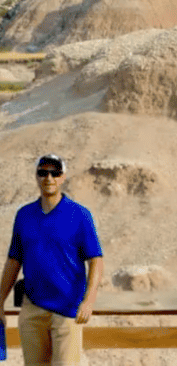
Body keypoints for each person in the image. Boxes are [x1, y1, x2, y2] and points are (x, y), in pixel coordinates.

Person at [0, 154, 103, 365]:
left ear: (63, 177)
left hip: (67, 309)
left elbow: (96, 260)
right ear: (36, 177)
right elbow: (13, 261)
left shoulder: (80, 215)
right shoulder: (24, 215)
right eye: (43, 172)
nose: (49, 177)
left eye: (55, 173)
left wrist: (89, 299)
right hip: (32, 308)